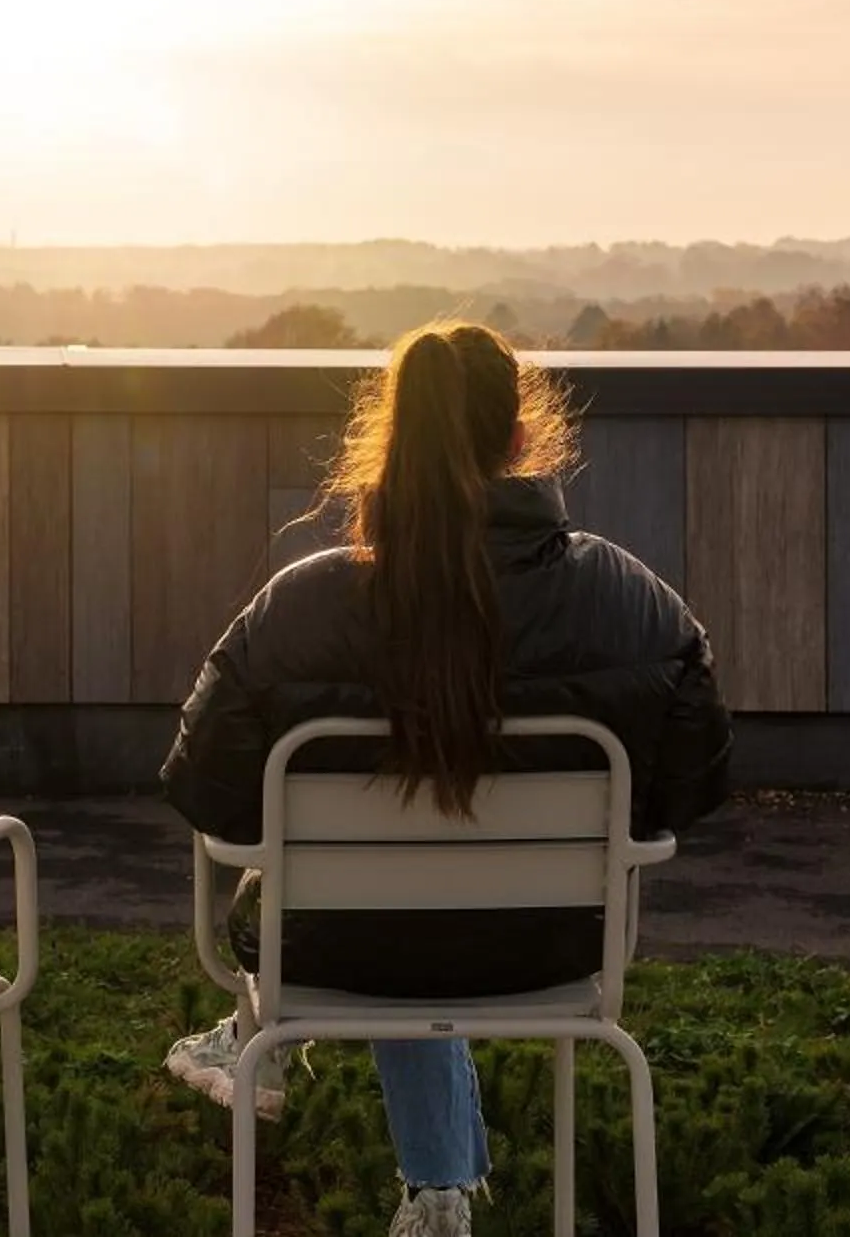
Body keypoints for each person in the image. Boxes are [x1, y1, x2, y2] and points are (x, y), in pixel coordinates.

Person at [158, 321, 733, 1237]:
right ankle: (438, 1194)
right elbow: (685, 792)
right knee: (426, 905)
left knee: (393, 907)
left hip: (337, 951)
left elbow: (212, 799)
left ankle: (267, 1041)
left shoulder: (296, 609)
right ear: (519, 439)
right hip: (552, 949)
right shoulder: (636, 606)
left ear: (396, 435)